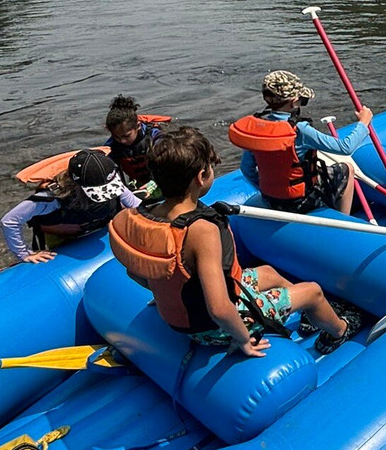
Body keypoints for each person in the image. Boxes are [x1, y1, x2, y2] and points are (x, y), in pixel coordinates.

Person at [108, 126, 360, 356]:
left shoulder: (146, 216)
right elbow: (219, 308)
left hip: (180, 313)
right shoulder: (201, 230)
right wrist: (243, 339)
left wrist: (166, 291)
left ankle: (305, 315)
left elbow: (135, 271)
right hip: (213, 329)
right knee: (313, 291)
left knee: (269, 273)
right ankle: (338, 330)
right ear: (201, 175)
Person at [229, 70, 372, 215]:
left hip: (271, 199)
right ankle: (343, 220)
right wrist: (363, 123)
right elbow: (345, 148)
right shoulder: (300, 129)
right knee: (346, 169)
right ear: (293, 102)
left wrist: (267, 190)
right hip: (301, 201)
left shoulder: (256, 128)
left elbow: (246, 169)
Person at [0, 149, 142, 263]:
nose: (107, 193)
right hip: (64, 236)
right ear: (76, 184)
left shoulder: (112, 183)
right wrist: (24, 254)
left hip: (97, 226)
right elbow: (10, 221)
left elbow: (137, 206)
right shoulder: (54, 197)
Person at [104, 95, 162, 188]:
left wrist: (155, 183)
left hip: (161, 180)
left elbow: (171, 165)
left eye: (126, 136)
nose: (122, 141)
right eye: (116, 137)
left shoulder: (156, 138)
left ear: (138, 126)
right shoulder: (112, 146)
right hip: (138, 182)